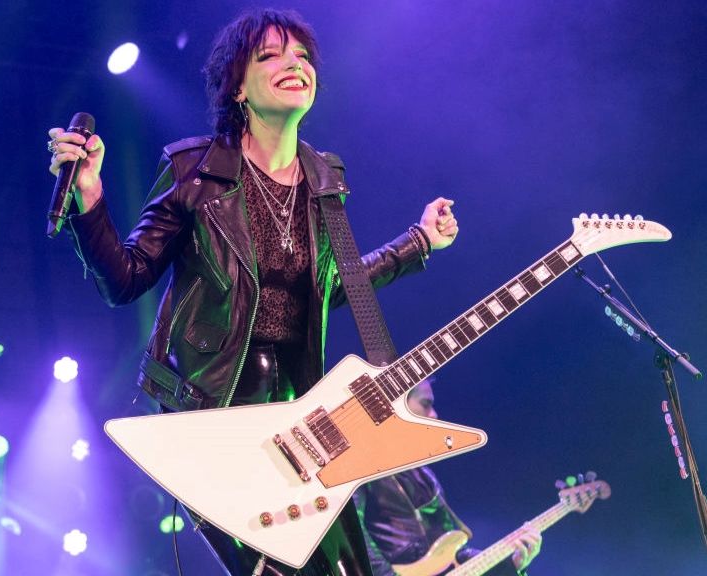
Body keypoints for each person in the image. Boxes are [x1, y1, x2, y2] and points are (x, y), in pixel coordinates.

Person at [46, 8, 458, 575]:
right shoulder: (196, 171)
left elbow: (336, 286)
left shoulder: (324, 181)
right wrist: (89, 200)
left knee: (349, 565)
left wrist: (420, 242)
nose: (294, 64)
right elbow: (126, 279)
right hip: (213, 410)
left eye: (302, 56)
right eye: (270, 56)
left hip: (301, 409)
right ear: (237, 86)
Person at [357, 378, 543, 576]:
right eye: (425, 404)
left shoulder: (424, 476)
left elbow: (455, 557)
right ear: (396, 407)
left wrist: (512, 565)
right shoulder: (359, 470)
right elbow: (355, 540)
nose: (434, 415)